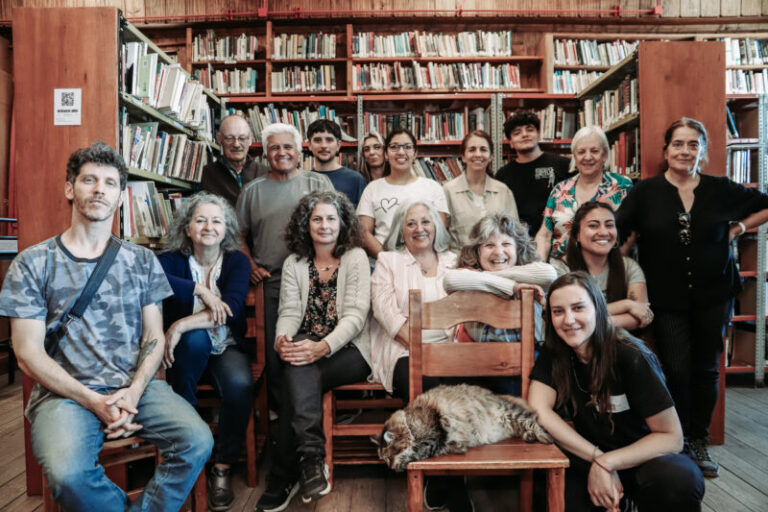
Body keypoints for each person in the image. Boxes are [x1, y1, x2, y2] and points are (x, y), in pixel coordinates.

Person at [0, 141, 213, 511]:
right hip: (64, 396)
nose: (100, 189)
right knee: (69, 475)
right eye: (90, 180)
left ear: (120, 196)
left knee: (197, 440)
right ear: (70, 189)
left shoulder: (142, 260)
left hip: (136, 388)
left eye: (110, 183)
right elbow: (27, 353)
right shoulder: (32, 263)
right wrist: (94, 401)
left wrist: (133, 392)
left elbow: (153, 337)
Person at [616, 117, 768, 477]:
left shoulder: (720, 189)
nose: (685, 151)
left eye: (693, 144)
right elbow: (620, 230)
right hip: (666, 296)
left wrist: (739, 227)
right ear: (666, 150)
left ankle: (698, 440)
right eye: (678, 144)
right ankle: (677, 439)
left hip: (714, 294)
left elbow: (765, 204)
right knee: (676, 368)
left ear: (703, 151)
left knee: (706, 368)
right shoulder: (646, 192)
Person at [528, 272, 705, 512]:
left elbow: (671, 438)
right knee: (549, 491)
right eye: (558, 311)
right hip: (589, 456)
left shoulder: (630, 355)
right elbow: (539, 410)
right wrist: (597, 458)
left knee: (678, 481)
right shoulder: (555, 353)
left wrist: (607, 462)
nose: (568, 320)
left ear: (598, 309)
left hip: (645, 458)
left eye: (578, 308)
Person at [256, 190, 371, 512]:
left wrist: (323, 347)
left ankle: (286, 474)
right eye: (317, 219)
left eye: (331, 218)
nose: (324, 225)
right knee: (298, 368)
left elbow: (356, 316)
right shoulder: (294, 263)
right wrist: (283, 338)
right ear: (305, 224)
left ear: (343, 223)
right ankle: (310, 463)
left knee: (296, 376)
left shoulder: (356, 257)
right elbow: (290, 311)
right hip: (307, 345)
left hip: (350, 350)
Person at [369, 198, 473, 512]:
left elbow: (465, 306)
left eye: (425, 221)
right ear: (401, 230)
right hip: (403, 348)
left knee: (455, 391)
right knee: (429, 390)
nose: (419, 229)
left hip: (450, 347)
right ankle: (450, 482)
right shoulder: (389, 261)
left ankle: (441, 476)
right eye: (411, 223)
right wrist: (421, 348)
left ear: (436, 226)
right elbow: (385, 312)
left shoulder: (455, 261)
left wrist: (446, 348)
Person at [157, 192, 252, 511]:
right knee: (195, 340)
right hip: (185, 354)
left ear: (226, 229)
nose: (209, 227)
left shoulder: (237, 261)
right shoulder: (171, 259)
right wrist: (198, 289)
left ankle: (221, 467)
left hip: (225, 346)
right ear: (187, 228)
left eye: (216, 221)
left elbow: (231, 309)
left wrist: (180, 325)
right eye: (200, 220)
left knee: (240, 385)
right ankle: (187, 447)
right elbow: (152, 277)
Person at [236, 123, 333, 410]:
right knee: (278, 351)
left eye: (288, 146)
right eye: (275, 147)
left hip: (318, 281)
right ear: (265, 154)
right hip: (272, 284)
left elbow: (337, 226)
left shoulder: (318, 184)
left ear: (300, 150)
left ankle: (311, 414)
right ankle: (282, 418)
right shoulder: (252, 191)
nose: (282, 152)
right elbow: (237, 235)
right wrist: (250, 263)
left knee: (317, 347)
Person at [444, 211, 554, 344]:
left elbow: (549, 274)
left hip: (533, 354)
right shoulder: (469, 280)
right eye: (489, 245)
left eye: (506, 244)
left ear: (518, 249)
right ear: (477, 252)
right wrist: (513, 287)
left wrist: (484, 275)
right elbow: (450, 279)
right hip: (481, 354)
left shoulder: (531, 274)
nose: (498, 252)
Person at [536, 125, 633, 262]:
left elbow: (632, 233)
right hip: (561, 270)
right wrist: (541, 267)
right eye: (581, 152)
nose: (588, 157)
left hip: (606, 267)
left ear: (605, 155)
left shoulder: (622, 186)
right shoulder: (559, 190)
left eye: (594, 151)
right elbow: (544, 235)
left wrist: (617, 265)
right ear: (574, 156)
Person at [552, 201, 652, 332]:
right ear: (577, 235)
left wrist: (592, 322)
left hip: (620, 342)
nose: (603, 232)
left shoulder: (628, 266)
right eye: (593, 226)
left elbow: (642, 316)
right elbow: (568, 317)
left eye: (609, 225)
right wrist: (626, 305)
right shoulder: (560, 268)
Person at [357, 128, 449, 260]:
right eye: (394, 147)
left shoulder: (433, 188)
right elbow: (364, 233)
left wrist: (418, 260)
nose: (401, 152)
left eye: (407, 147)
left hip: (424, 261)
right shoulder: (372, 188)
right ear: (386, 154)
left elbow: (440, 231)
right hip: (384, 262)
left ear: (415, 153)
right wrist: (389, 260)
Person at [495, 111, 570, 237]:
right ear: (511, 143)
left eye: (529, 130)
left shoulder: (563, 165)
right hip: (520, 242)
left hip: (560, 239)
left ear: (538, 135)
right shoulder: (503, 175)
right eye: (517, 133)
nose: (525, 134)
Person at [443, 130, 518, 249]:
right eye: (472, 150)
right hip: (461, 259)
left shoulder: (503, 191)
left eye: (483, 149)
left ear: (491, 156)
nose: (478, 154)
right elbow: (441, 237)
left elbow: (514, 233)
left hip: (498, 258)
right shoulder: (448, 191)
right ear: (463, 157)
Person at [201, 114, 269, 207]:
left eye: (242, 138)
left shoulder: (266, 174)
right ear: (219, 139)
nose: (236, 144)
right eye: (229, 138)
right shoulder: (206, 174)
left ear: (250, 139)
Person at [307, 119, 367, 208]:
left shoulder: (356, 180)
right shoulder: (305, 180)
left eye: (329, 140)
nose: (323, 145)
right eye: (317, 140)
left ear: (338, 145)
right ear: (309, 145)